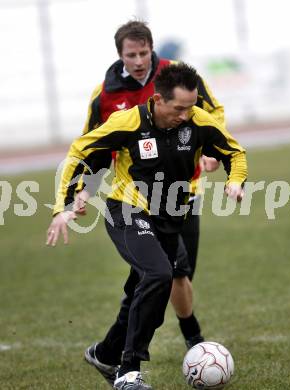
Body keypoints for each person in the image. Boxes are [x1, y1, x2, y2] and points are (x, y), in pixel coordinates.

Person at [46, 62, 247, 390]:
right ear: (158, 100)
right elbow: (81, 150)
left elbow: (234, 152)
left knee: (147, 296)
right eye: (179, 108)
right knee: (159, 275)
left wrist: (235, 180)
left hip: (169, 217)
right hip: (126, 209)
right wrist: (64, 205)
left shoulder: (197, 120)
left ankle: (106, 353)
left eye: (191, 106)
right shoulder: (128, 121)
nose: (186, 115)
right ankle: (128, 373)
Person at [75, 20, 223, 357]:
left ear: (152, 49)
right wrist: (84, 189)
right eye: (132, 54)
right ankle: (192, 339)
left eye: (144, 53)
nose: (139, 60)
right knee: (165, 273)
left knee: (168, 276)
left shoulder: (178, 76)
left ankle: (108, 352)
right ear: (120, 55)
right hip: (137, 199)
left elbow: (213, 112)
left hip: (185, 190)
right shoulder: (106, 94)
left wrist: (212, 151)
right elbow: (93, 147)